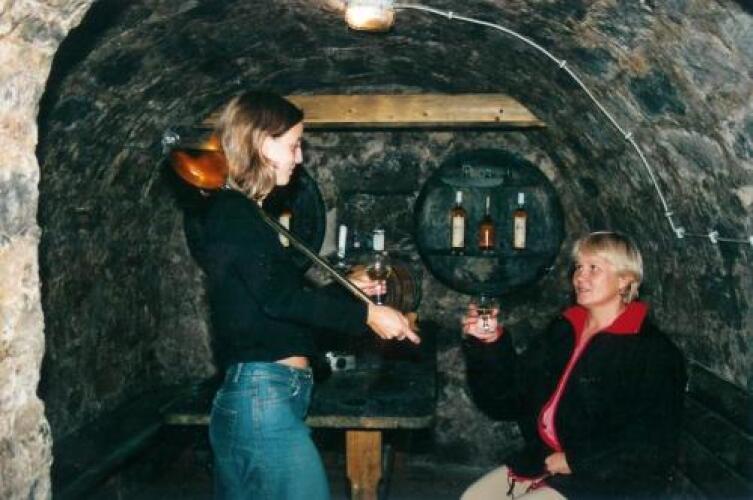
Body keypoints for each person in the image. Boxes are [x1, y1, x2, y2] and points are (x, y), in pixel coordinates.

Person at [193, 91, 419, 500]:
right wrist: (368, 316)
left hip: (268, 396)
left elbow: (272, 305)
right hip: (262, 398)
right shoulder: (233, 212)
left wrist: (348, 290)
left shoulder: (246, 213)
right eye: (294, 145)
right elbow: (279, 300)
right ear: (262, 143)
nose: (299, 158)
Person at [460, 231, 686, 500]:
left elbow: (650, 441)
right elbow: (512, 396)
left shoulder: (652, 352)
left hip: (607, 480)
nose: (580, 276)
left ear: (625, 280)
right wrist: (490, 344)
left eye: (594, 268)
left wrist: (575, 460)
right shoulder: (565, 330)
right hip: (545, 460)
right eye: (578, 267)